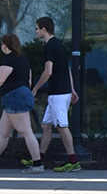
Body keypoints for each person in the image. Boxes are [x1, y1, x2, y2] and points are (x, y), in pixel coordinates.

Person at [0, 34, 47, 173]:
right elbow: (29, 81)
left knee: (26, 132)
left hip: (14, 97)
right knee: (4, 133)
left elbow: (0, 80)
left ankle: (38, 164)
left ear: (5, 45)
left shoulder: (8, 60)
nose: (1, 46)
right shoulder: (24, 60)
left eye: (2, 44)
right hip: (21, 95)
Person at [32, 17, 82, 172]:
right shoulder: (59, 45)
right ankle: (38, 160)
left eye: (36, 28)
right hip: (62, 92)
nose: (35, 31)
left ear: (44, 29)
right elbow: (66, 68)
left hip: (58, 94)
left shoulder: (49, 47)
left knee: (61, 126)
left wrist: (35, 89)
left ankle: (73, 161)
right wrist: (72, 89)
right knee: (46, 126)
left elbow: (48, 72)